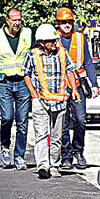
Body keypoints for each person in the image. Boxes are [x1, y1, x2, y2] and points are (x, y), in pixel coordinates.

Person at [24, 24, 80, 180]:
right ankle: (43, 165)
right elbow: (26, 74)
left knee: (57, 137)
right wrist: (33, 94)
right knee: (41, 134)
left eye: (56, 40)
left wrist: (74, 89)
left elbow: (70, 71)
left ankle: (54, 165)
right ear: (42, 42)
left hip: (60, 102)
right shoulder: (32, 55)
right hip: (40, 101)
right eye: (51, 41)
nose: (55, 43)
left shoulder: (62, 53)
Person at [0, 7, 33, 170]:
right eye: (14, 20)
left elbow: (34, 57)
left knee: (23, 122)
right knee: (7, 117)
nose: (17, 23)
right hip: (4, 83)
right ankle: (5, 147)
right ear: (7, 20)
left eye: (19, 19)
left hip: (23, 83)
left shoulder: (27, 34)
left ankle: (19, 156)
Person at [54, 7, 98, 170]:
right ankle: (66, 156)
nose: (67, 25)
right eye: (63, 22)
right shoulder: (54, 38)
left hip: (78, 84)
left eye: (69, 22)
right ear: (58, 23)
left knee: (80, 119)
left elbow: (88, 61)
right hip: (59, 86)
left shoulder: (80, 38)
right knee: (63, 123)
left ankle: (78, 151)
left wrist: (94, 83)